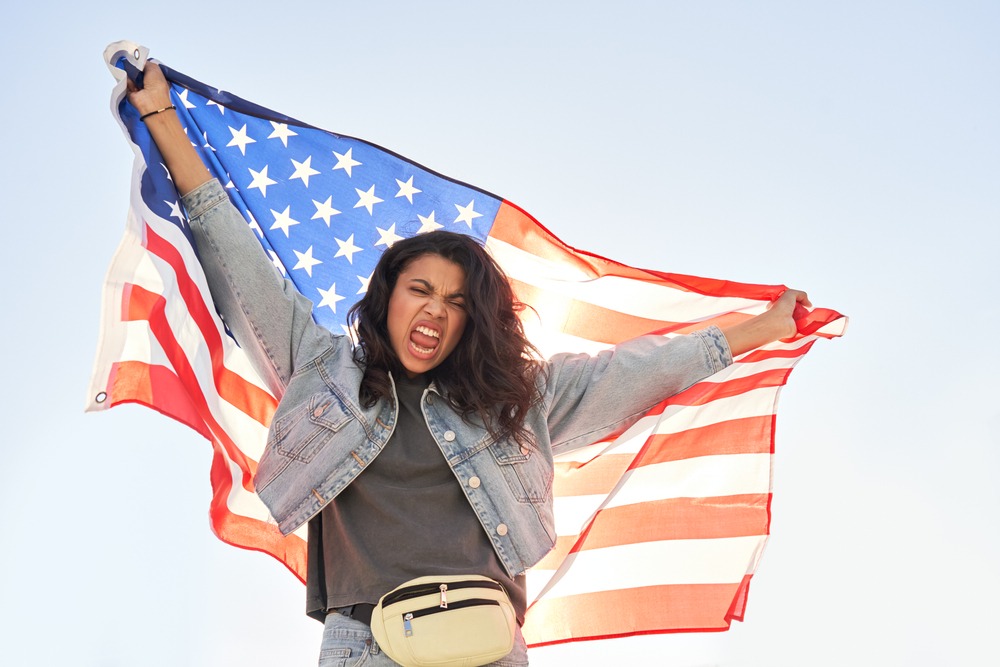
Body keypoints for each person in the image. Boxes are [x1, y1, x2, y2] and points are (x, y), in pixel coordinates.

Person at [127, 62, 810, 667]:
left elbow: (636, 370)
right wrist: (161, 117)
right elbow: (233, 253)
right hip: (367, 645)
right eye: (420, 290)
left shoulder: (515, 398)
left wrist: (757, 329)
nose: (436, 311)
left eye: (456, 301)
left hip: (488, 644)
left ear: (472, 320)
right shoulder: (322, 366)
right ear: (387, 297)